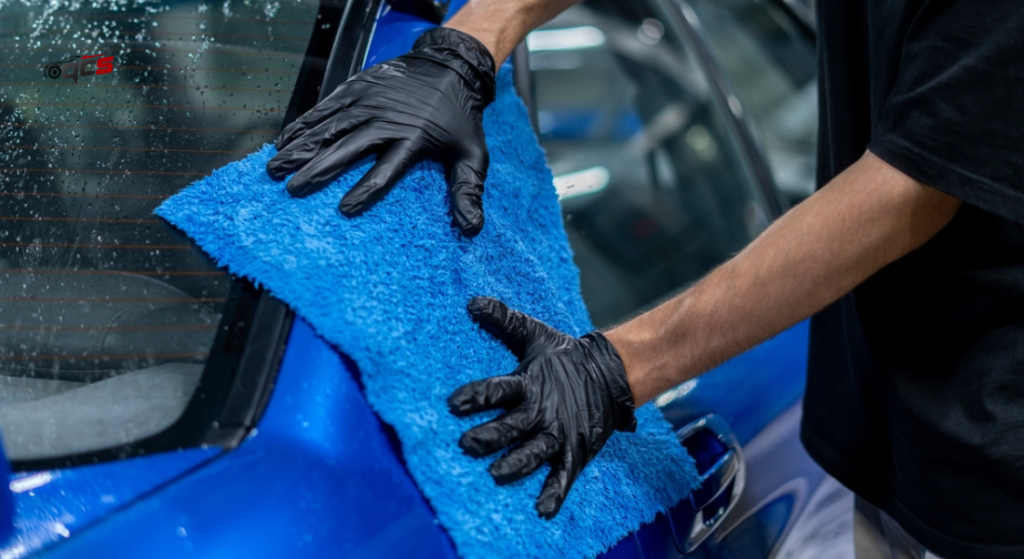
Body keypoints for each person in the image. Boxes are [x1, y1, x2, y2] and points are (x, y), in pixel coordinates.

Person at [267, 1, 1024, 557]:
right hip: (886, 449)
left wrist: (617, 365)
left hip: (991, 479)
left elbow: (908, 191)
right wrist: (471, 40)